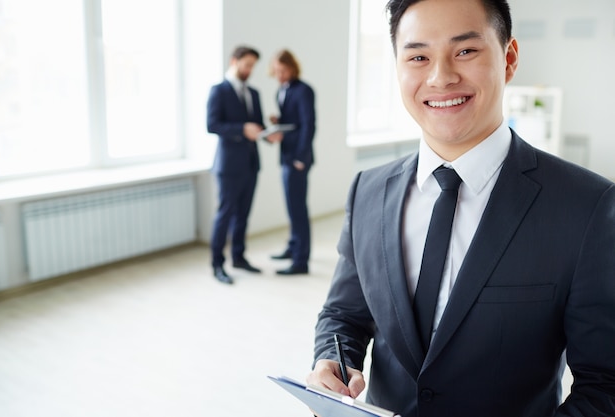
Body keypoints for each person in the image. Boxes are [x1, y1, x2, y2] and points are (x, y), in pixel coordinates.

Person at [307, 0, 615, 416]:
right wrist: (332, 357)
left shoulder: (587, 206)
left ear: (508, 59)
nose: (441, 77)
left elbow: (605, 385)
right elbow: (345, 312)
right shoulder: (368, 190)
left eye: (465, 51)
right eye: (418, 56)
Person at [206, 45, 279, 284]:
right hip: (228, 166)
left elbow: (256, 127)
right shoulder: (219, 91)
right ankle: (217, 264)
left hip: (250, 164)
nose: (250, 70)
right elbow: (212, 125)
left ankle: (238, 257)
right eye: (247, 65)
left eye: (253, 66)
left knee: (243, 215)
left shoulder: (254, 93)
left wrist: (269, 134)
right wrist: (241, 129)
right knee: (224, 215)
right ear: (234, 61)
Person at [268, 49, 316, 275]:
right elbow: (293, 122)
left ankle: (301, 261)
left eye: (283, 70)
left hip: (297, 159)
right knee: (291, 206)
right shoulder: (281, 89)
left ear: (292, 68)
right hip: (286, 155)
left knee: (297, 208)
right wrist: (279, 121)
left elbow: (308, 126)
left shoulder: (304, 90)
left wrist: (300, 158)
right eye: (276, 71)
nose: (279, 75)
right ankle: (292, 247)